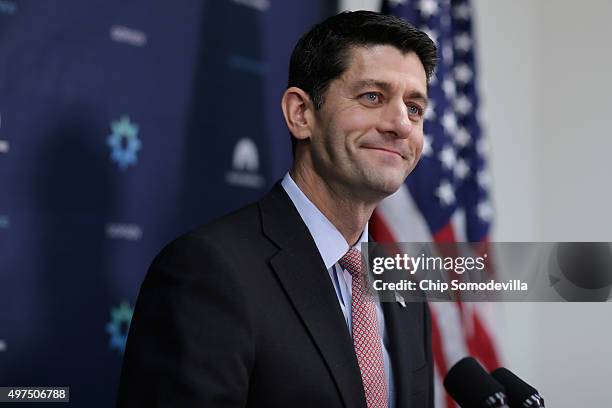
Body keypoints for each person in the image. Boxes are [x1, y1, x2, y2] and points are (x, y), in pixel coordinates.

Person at [117, 10, 437, 408]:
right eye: (373, 96)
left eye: (415, 108)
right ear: (301, 114)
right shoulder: (207, 270)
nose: (401, 124)